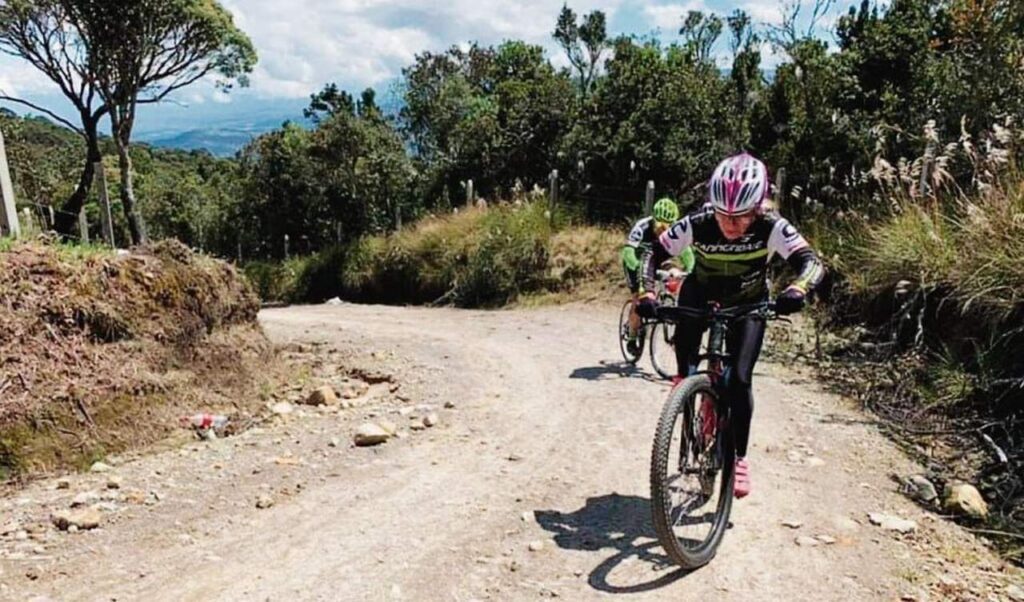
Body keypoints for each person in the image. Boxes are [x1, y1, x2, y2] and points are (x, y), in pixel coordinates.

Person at [637, 153, 824, 498]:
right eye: (723, 214)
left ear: (758, 208)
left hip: (748, 302)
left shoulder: (772, 226)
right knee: (685, 362)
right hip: (700, 292)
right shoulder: (699, 221)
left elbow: (811, 263)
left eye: (740, 217)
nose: (730, 224)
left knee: (739, 379)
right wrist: (646, 292)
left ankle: (739, 457)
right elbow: (651, 253)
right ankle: (685, 393)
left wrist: (798, 289)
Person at [621, 198, 694, 356]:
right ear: (654, 219)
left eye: (667, 227)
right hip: (635, 261)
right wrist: (639, 268)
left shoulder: (676, 230)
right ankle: (632, 337)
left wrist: (691, 270)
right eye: (659, 225)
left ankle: (669, 302)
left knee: (673, 272)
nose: (662, 229)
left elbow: (687, 253)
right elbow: (628, 252)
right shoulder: (642, 226)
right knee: (638, 297)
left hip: (658, 261)